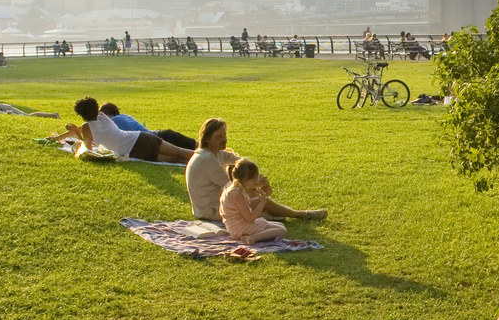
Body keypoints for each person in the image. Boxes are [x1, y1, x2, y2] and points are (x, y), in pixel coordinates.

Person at [186, 118, 327, 224]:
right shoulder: (207, 159)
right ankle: (301, 215)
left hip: (212, 206)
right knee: (263, 202)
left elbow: (241, 161)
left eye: (224, 135)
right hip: (209, 211)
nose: (225, 140)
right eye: (219, 137)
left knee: (261, 202)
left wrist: (255, 178)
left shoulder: (215, 153)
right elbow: (233, 188)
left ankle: (275, 214)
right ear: (208, 139)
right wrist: (257, 184)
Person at [62, 96, 197, 163]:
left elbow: (88, 148)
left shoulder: (86, 127)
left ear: (81, 115)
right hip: (140, 138)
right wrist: (76, 130)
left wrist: (75, 131)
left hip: (134, 150)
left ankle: (210, 161)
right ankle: (211, 160)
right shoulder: (102, 116)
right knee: (179, 153)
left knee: (176, 158)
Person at [218, 158, 289, 244]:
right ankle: (251, 237)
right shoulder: (237, 194)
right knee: (282, 230)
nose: (257, 181)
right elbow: (250, 219)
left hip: (236, 225)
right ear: (244, 179)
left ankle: (251, 235)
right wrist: (263, 202)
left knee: (280, 225)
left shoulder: (235, 188)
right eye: (254, 178)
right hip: (239, 227)